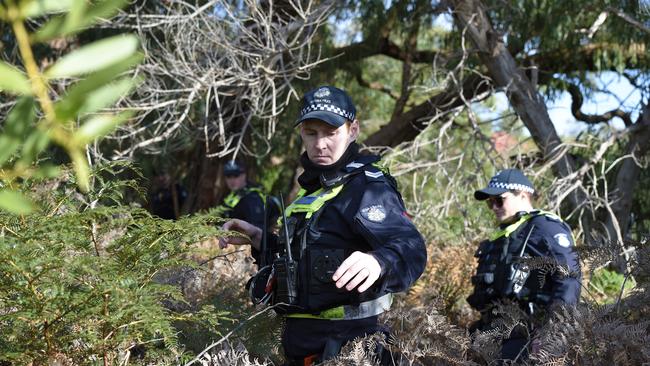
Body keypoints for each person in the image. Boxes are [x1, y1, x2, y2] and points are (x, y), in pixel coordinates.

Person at [218, 85, 427, 365]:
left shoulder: (366, 187)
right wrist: (259, 238)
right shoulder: (312, 191)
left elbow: (412, 249)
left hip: (351, 348)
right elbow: (305, 257)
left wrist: (380, 262)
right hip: (301, 345)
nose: (320, 144)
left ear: (353, 130)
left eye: (331, 133)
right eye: (311, 133)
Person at [467, 169, 581, 362]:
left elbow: (569, 278)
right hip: (494, 334)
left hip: (528, 337)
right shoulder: (507, 233)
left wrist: (553, 333)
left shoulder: (545, 228)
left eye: (499, 200)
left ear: (522, 195)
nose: (494, 207)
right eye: (490, 202)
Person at [220, 159, 266, 230]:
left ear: (244, 175)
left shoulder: (252, 197)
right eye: (228, 176)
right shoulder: (230, 196)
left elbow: (258, 229)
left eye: (236, 175)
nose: (232, 180)